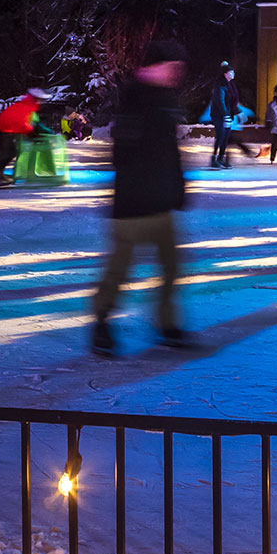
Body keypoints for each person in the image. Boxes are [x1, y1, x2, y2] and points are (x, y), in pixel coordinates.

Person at [93, 41, 191, 355]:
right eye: (173, 67)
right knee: (119, 270)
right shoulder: (135, 98)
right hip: (133, 204)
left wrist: (178, 187)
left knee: (172, 267)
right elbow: (122, 154)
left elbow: (170, 153)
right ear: (157, 67)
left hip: (160, 202)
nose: (178, 73)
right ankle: (102, 322)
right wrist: (147, 182)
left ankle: (167, 325)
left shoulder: (164, 100)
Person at [0, 89, 43, 187]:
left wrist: (30, 132)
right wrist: (31, 133)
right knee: (8, 152)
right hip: (3, 128)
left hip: (4, 127)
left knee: (9, 152)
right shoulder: (27, 106)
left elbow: (21, 122)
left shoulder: (27, 105)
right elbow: (21, 122)